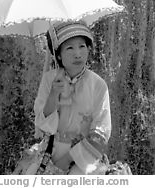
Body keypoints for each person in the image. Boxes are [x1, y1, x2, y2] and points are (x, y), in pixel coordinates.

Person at [34, 22, 111, 174]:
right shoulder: (49, 79)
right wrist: (53, 94)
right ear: (59, 55)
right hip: (50, 152)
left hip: (85, 159)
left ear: (89, 49)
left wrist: (67, 161)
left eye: (82, 46)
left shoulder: (98, 84)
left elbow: (102, 131)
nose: (78, 54)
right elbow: (44, 126)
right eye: (70, 48)